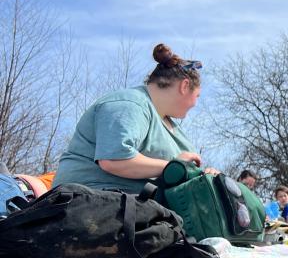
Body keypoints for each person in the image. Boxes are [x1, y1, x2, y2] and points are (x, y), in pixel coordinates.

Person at [54, 44, 214, 192]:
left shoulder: (173, 128)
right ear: (185, 86)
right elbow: (114, 160)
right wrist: (173, 167)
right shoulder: (130, 104)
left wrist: (208, 177)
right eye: (197, 96)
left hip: (148, 210)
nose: (195, 104)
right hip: (91, 201)